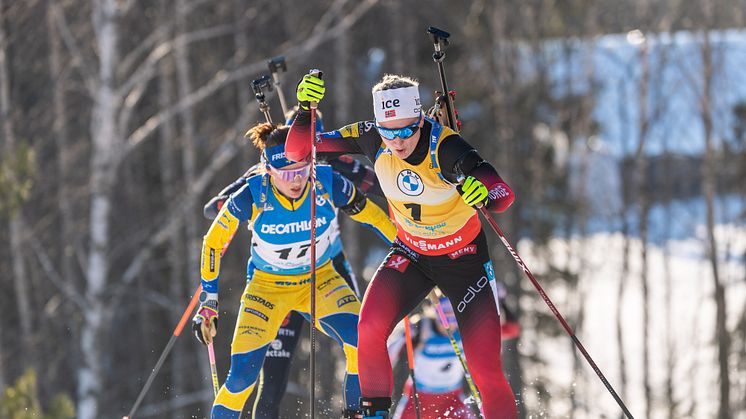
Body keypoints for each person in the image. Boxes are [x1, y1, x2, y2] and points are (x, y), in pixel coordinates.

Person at [286, 73, 518, 418]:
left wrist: (484, 194)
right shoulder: (369, 136)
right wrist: (305, 110)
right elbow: (298, 150)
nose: (397, 141)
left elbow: (502, 192)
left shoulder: (447, 145)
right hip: (412, 254)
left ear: (421, 119)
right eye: (388, 131)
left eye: (407, 130)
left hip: (464, 260)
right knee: (369, 328)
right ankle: (375, 413)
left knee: (485, 368)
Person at [192, 122, 397, 418]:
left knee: (362, 342)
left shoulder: (328, 182)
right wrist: (209, 302)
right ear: (268, 171)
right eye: (286, 173)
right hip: (267, 289)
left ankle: (356, 413)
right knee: (242, 378)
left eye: (302, 169)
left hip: (320, 280)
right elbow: (212, 242)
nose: (296, 180)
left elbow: (374, 219)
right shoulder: (253, 193)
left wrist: (411, 251)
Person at [387, 297, 477, 419]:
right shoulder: (422, 327)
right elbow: (388, 356)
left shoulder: (466, 330)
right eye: (446, 316)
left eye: (454, 317)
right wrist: (403, 338)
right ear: (436, 312)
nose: (450, 324)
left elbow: (508, 331)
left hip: (452, 398)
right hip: (419, 398)